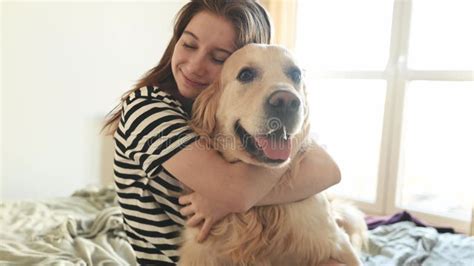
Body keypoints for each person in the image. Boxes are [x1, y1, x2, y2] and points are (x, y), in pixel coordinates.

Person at [103, 0, 341, 264]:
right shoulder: (146, 109)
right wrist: (229, 199)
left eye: (218, 58)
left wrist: (222, 201)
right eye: (189, 44)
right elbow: (237, 192)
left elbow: (329, 170)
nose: (195, 65)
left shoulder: (231, 112)